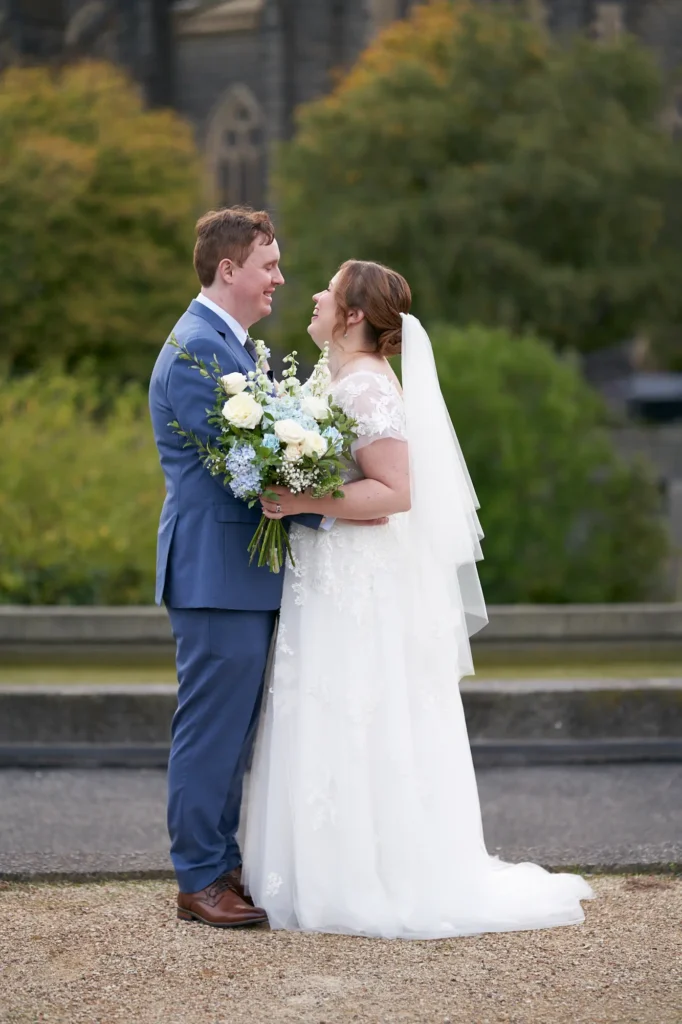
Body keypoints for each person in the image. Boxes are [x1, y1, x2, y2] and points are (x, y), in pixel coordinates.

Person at [242, 259, 594, 939]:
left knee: (354, 704)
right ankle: (323, 871)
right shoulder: (337, 378)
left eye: (328, 289)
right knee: (325, 703)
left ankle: (367, 879)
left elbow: (397, 492)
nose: (313, 295)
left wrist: (297, 500)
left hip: (355, 578)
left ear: (349, 316)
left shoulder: (367, 387)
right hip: (329, 570)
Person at [149, 209, 385, 928]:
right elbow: (244, 471)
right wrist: (340, 511)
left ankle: (221, 863)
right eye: (270, 265)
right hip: (216, 574)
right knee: (212, 731)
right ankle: (200, 877)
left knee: (235, 729)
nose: (281, 279)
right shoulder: (197, 351)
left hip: (242, 574)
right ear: (229, 270)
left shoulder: (230, 346)